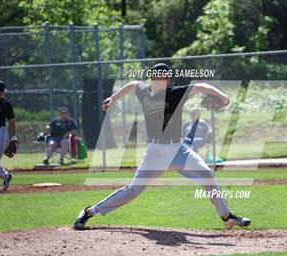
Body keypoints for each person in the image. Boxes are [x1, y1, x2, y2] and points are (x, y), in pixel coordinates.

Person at [73, 63, 251, 230]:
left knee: (207, 175)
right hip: (155, 153)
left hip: (178, 150)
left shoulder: (175, 93)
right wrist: (113, 97)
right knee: (133, 190)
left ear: (168, 79)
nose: (162, 80)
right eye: (158, 77)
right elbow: (133, 83)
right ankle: (89, 211)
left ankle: (227, 218)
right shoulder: (145, 93)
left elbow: (201, 86)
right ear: (153, 78)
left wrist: (223, 97)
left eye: (165, 77)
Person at [0, 80, 17, 191]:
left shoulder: (6, 104)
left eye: (2, 91)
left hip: (0, 132)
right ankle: (6, 176)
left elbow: (12, 121)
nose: (0, 93)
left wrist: (13, 136)